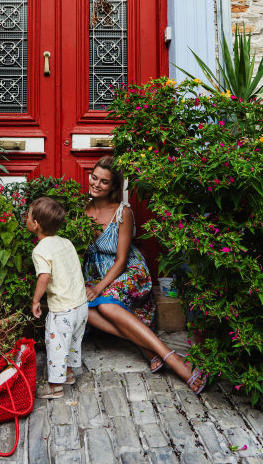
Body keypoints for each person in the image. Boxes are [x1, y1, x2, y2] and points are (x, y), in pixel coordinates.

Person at [84, 156, 206, 394]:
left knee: (106, 307)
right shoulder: (81, 210)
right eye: (94, 177)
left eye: (104, 182)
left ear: (113, 187)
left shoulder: (123, 212)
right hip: (96, 274)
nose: (96, 184)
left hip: (127, 271)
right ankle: (146, 347)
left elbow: (120, 261)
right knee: (80, 308)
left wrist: (98, 288)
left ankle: (172, 360)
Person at [27, 196, 88, 399]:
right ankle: (68, 373)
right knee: (72, 342)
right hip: (80, 306)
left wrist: (36, 300)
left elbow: (45, 276)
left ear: (35, 224)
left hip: (62, 310)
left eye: (27, 216)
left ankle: (55, 386)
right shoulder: (66, 242)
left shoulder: (40, 250)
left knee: (56, 346)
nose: (26, 219)